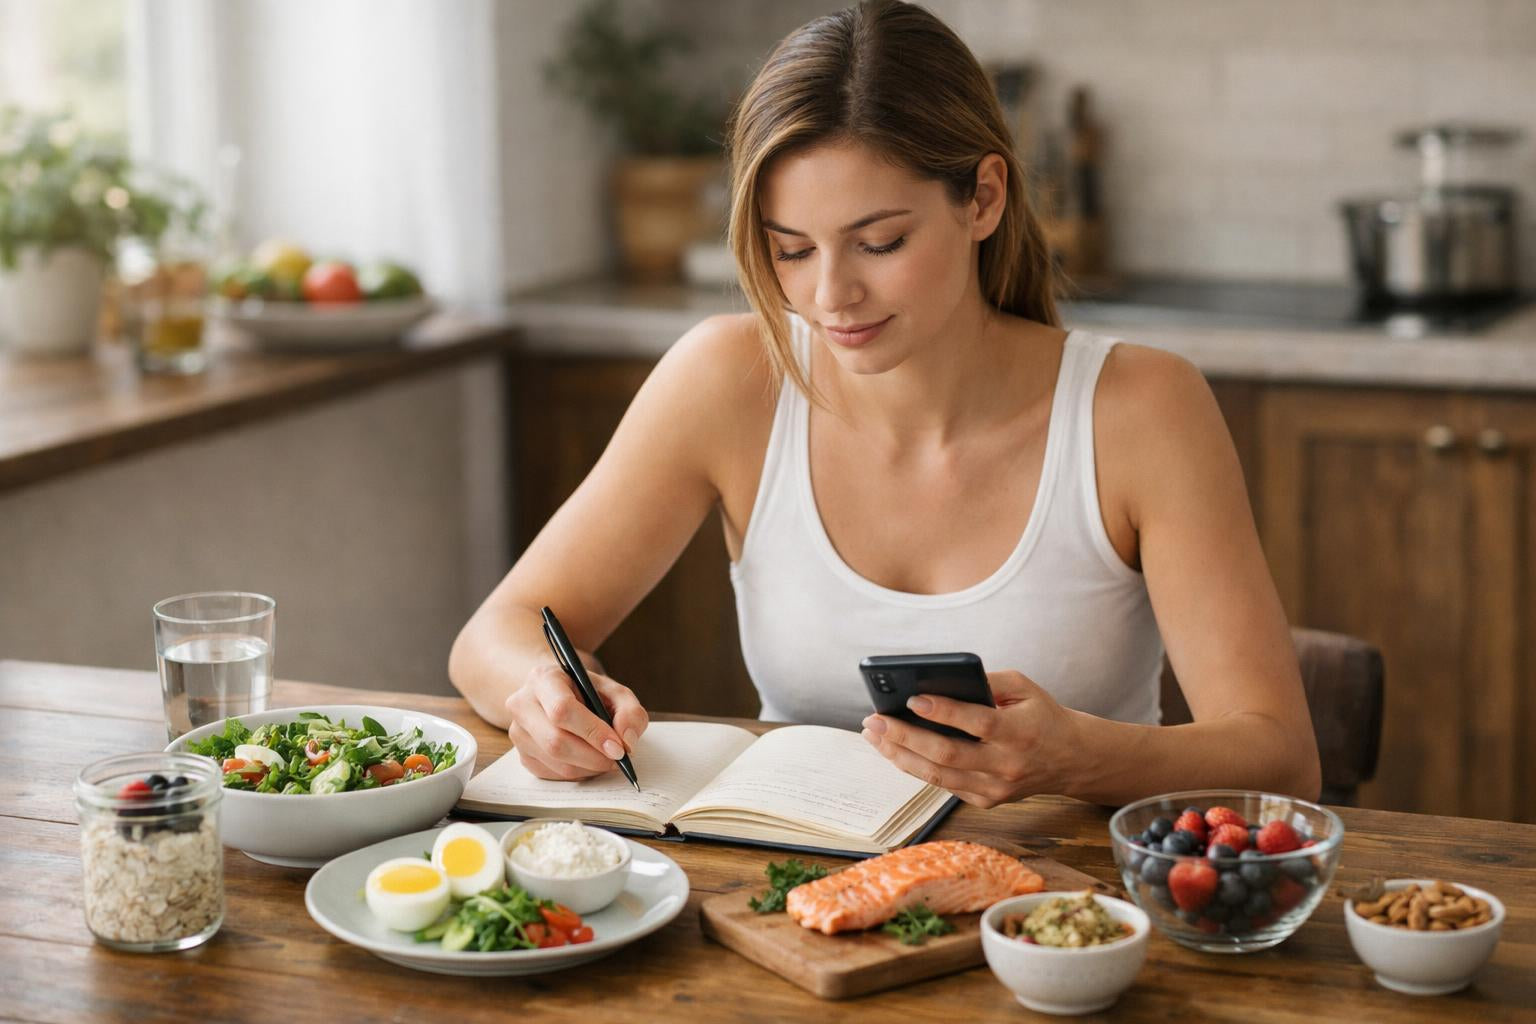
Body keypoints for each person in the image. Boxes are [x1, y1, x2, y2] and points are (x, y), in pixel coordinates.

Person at [449, 0, 1321, 808]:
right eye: (791, 251)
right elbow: (498, 631)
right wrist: (543, 695)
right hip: (792, 887)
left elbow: (1282, 759)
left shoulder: (1141, 409)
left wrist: (1078, 758)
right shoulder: (729, 379)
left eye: (879, 242)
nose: (831, 296)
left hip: (1066, 902)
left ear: (983, 198)